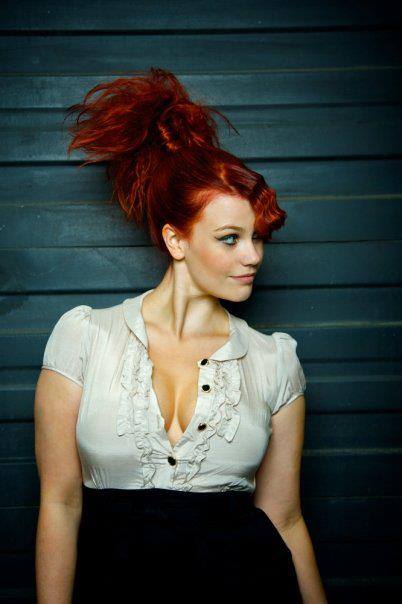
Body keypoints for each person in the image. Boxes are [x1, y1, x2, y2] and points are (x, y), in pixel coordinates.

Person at [34, 67, 328, 603]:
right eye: (231, 238)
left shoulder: (275, 360)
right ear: (176, 240)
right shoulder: (84, 337)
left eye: (258, 238)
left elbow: (284, 517)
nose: (253, 256)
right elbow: (59, 502)